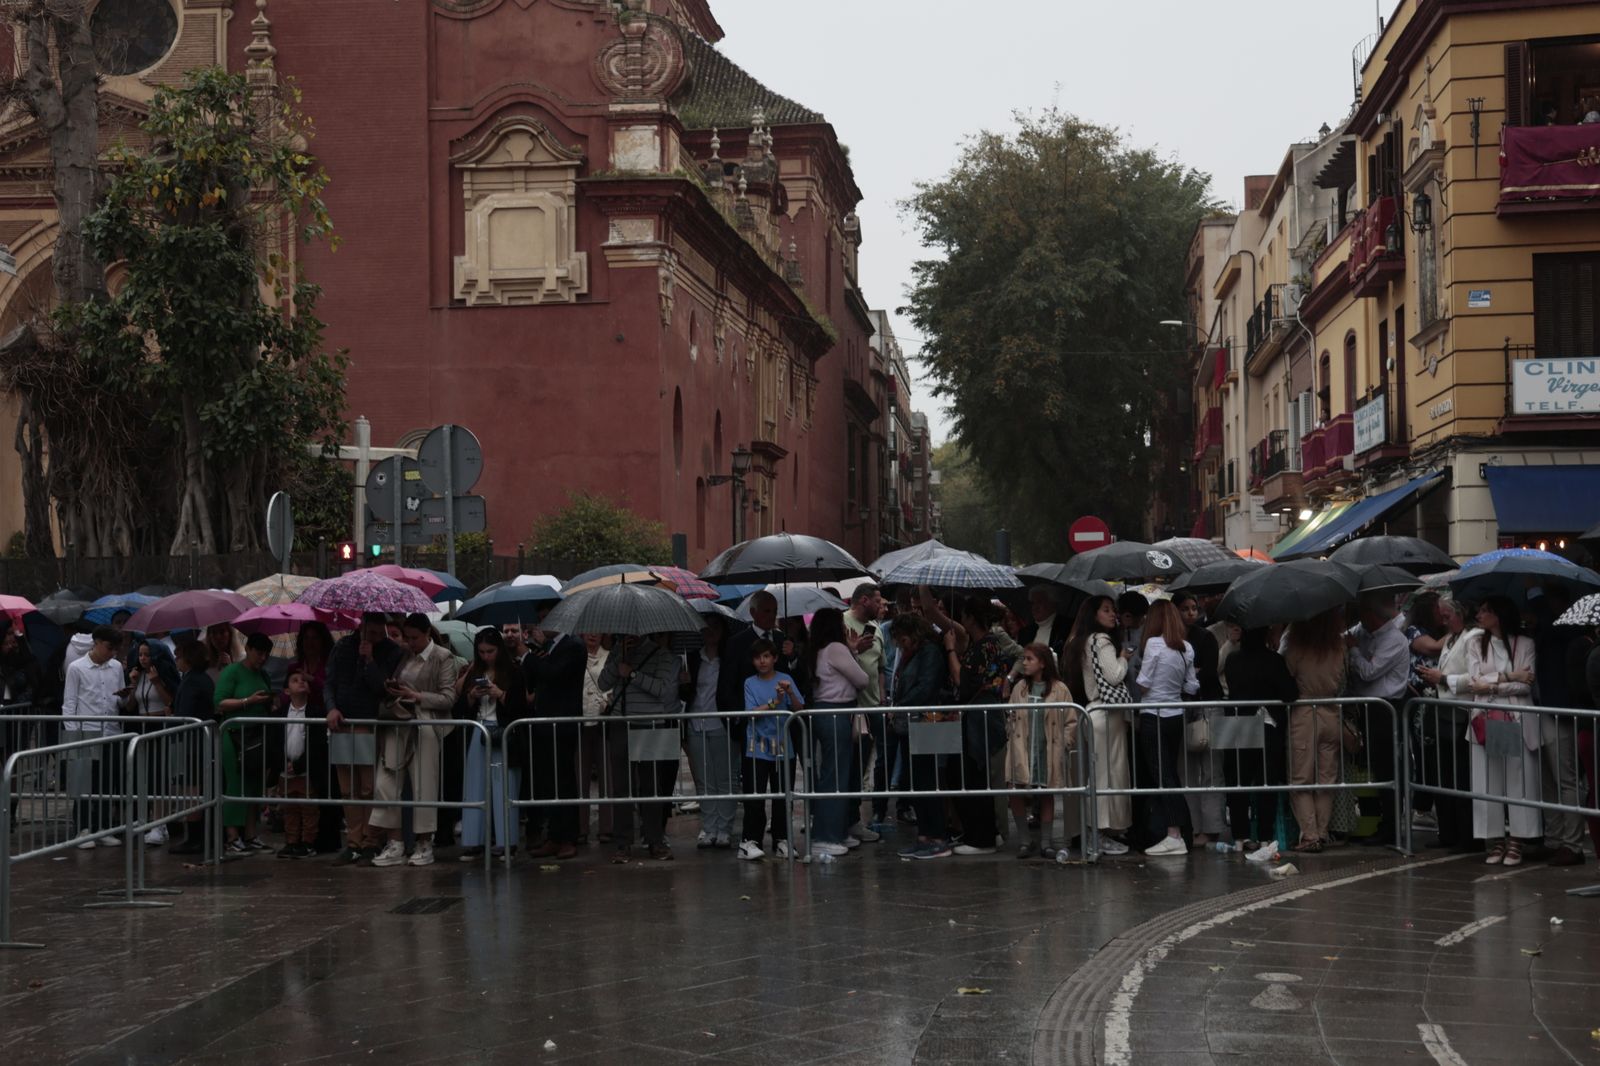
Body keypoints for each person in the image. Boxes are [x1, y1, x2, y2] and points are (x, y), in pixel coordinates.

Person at [368, 614, 460, 869]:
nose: (410, 643)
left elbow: (448, 698)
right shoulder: (405, 655)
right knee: (387, 779)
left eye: (415, 638)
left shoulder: (443, 656)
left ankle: (424, 843)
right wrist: (395, 689)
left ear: (427, 633)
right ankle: (395, 842)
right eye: (407, 638)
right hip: (400, 722)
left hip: (426, 724)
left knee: (423, 785)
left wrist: (416, 695)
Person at [937, 596, 1016, 856]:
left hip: (978, 717)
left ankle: (982, 838)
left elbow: (963, 680)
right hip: (983, 715)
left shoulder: (983, 646)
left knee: (974, 774)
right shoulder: (988, 644)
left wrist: (950, 650)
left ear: (970, 617)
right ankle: (986, 833)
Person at [1465, 597, 1540, 866]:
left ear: (1499, 614)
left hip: (1516, 716)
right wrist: (1510, 676)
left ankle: (1517, 839)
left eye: (1486, 610)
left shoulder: (1525, 644)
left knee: (1518, 780)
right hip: (1485, 718)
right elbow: (1474, 682)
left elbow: (1526, 685)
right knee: (1487, 779)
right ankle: (1494, 839)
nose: (1479, 614)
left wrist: (1494, 685)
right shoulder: (1474, 643)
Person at [600, 632, 685, 863]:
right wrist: (619, 659)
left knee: (651, 786)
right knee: (621, 787)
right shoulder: (617, 652)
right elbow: (603, 683)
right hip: (620, 723)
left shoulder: (662, 655)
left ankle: (654, 840)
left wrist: (633, 674)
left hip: (650, 724)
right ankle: (623, 843)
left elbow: (661, 689)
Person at [325, 614, 403, 865]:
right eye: (372, 633)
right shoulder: (342, 647)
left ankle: (372, 839)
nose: (377, 638)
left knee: (369, 786)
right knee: (348, 788)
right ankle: (354, 840)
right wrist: (331, 707)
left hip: (369, 723)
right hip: (343, 723)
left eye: (381, 634)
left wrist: (369, 659)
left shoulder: (391, 651)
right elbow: (330, 682)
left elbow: (383, 688)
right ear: (362, 629)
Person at [1061, 595, 1134, 856]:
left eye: (1113, 610)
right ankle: (1100, 833)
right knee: (1107, 775)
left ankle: (1095, 832)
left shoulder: (1080, 642)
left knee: (1100, 774)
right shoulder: (1101, 641)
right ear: (1094, 615)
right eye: (1106, 610)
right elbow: (1114, 675)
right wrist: (1123, 657)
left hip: (1093, 713)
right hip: (1105, 713)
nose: (1113, 614)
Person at [456, 627, 527, 861]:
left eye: (491, 651)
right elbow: (459, 708)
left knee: (504, 787)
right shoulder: (473, 671)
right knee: (475, 786)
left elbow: (522, 708)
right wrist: (471, 696)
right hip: (480, 729)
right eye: (482, 652)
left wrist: (500, 694)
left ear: (499, 650)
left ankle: (508, 842)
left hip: (504, 732)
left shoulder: (514, 672)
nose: (486, 656)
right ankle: (474, 841)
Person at [1528, 588, 1588, 866]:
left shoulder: (1569, 628)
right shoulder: (1546, 629)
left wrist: (1536, 595)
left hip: (1560, 709)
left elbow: (1555, 631)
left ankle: (1572, 843)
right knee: (1547, 778)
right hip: (1541, 705)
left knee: (1565, 777)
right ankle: (1554, 837)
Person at [1221, 628, 1296, 850]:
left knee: (1237, 783)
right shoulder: (1274, 660)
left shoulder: (1232, 660)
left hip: (1237, 722)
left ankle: (1239, 837)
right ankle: (1264, 836)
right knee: (1266, 781)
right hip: (1267, 722)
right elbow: (1290, 693)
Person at [804, 608, 870, 858]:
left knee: (836, 772)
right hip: (836, 713)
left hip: (825, 713)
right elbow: (862, 679)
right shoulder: (835, 648)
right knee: (835, 775)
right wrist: (852, 652)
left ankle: (837, 830)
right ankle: (826, 835)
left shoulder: (818, 650)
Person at [1345, 594, 1409, 846]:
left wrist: (1352, 650)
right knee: (1368, 768)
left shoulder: (1394, 640)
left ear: (1373, 615)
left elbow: (1369, 671)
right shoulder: (1362, 632)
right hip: (1365, 707)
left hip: (1385, 708)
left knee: (1386, 768)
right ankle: (1373, 819)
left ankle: (1392, 824)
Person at [1136, 601, 1199, 856]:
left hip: (1154, 714)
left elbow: (1143, 683)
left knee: (1163, 775)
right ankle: (1183, 832)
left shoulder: (1153, 644)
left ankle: (1175, 834)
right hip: (1176, 715)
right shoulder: (1187, 648)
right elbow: (1191, 687)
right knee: (1170, 772)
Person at [1004, 643, 1077, 859]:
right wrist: (1011, 733)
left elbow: (1071, 720)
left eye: (1029, 659)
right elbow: (1009, 713)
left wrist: (1064, 742)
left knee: (1046, 794)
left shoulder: (1060, 689)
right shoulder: (1020, 688)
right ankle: (1025, 841)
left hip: (1047, 749)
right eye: (1024, 658)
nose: (1024, 663)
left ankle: (1045, 842)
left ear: (1042, 663)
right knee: (1016, 792)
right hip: (1023, 748)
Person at [1416, 598, 1478, 849]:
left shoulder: (1472, 637)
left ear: (1460, 613)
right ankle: (1448, 831)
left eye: (1447, 616)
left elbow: (1474, 677)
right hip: (1443, 711)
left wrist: (1443, 678)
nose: (1442, 620)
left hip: (1461, 711)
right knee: (1443, 775)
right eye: (1441, 616)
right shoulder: (1452, 637)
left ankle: (1465, 835)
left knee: (1460, 776)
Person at [1284, 607, 1347, 852]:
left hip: (1304, 713)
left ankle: (1310, 835)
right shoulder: (1339, 646)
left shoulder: (1297, 646)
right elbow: (1343, 679)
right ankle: (1322, 831)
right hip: (1331, 711)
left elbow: (1289, 673)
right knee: (1326, 779)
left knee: (1301, 777)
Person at [889, 614, 952, 859]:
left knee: (927, 779)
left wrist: (900, 705)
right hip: (913, 722)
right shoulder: (914, 653)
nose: (900, 644)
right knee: (916, 779)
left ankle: (937, 836)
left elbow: (927, 686)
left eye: (902, 639)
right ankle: (925, 835)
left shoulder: (929, 653)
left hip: (926, 721)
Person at [737, 637, 805, 860]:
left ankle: (782, 839)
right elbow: (751, 712)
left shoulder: (786, 678)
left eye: (766, 656)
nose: (762, 661)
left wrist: (790, 694)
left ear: (775, 658)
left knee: (782, 794)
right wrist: (775, 702)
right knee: (755, 794)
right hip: (756, 746)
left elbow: (799, 708)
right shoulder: (749, 682)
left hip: (784, 746)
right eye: (758, 657)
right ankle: (750, 840)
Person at [63, 625, 127, 849]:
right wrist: (72, 734)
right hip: (86, 731)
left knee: (107, 782)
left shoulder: (116, 667)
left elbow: (119, 698)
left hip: (111, 730)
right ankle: (82, 828)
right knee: (83, 782)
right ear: (97, 643)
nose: (112, 653)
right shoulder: (76, 668)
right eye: (109, 648)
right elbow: (69, 703)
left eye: (115, 649)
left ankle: (103, 826)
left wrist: (125, 697)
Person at [214, 632, 277, 853]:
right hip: (234, 736)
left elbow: (266, 700)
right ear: (248, 649)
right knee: (236, 783)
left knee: (254, 785)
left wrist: (270, 703)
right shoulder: (232, 672)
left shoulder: (264, 675)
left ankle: (251, 834)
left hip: (257, 736)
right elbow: (220, 702)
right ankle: (232, 835)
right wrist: (247, 701)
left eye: (266, 654)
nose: (262, 658)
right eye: (259, 653)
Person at [1174, 592, 1226, 846]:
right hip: (1183, 707)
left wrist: (1187, 677)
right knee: (1186, 769)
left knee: (1211, 768)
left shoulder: (1205, 637)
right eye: (1185, 608)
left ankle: (1212, 827)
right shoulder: (1169, 641)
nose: (1191, 613)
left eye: (1194, 608)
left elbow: (1208, 671)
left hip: (1206, 706)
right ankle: (1193, 826)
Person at [683, 617, 735, 849]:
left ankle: (724, 828)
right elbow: (686, 693)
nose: (711, 632)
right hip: (696, 723)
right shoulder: (693, 658)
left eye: (715, 627)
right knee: (704, 780)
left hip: (721, 724)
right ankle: (708, 826)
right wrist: (683, 683)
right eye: (706, 628)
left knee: (725, 779)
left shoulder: (730, 659)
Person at [121, 638, 179, 845]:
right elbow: (129, 707)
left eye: (147, 654)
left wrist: (156, 681)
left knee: (159, 777)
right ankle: (149, 819)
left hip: (159, 727)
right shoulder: (139, 675)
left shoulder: (161, 673)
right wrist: (133, 685)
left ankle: (160, 824)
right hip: (141, 728)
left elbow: (171, 701)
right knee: (145, 776)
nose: (143, 658)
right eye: (141, 654)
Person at [843, 583, 886, 844]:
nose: (881, 606)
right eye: (877, 601)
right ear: (863, 600)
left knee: (861, 768)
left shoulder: (877, 629)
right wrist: (854, 650)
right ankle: (845, 820)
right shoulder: (841, 623)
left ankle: (854, 820)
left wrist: (882, 698)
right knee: (848, 766)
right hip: (850, 708)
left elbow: (881, 667)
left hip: (872, 708)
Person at [167, 639, 215, 855]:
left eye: (179, 656)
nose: (176, 660)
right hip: (199, 742)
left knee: (191, 790)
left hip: (193, 744)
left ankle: (194, 838)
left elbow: (184, 712)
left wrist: (172, 716)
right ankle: (196, 836)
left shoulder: (192, 681)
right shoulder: (200, 679)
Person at [276, 669, 328, 859]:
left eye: (304, 680)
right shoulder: (280, 713)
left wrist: (299, 765)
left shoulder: (315, 712)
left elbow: (316, 745)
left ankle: (308, 842)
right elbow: (276, 741)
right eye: (295, 680)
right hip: (286, 768)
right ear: (287, 691)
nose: (301, 682)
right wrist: (284, 763)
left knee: (309, 809)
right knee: (289, 808)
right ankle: (291, 841)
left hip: (306, 770)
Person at [576, 633, 614, 844]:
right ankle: (581, 828)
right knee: (580, 776)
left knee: (606, 775)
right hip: (580, 720)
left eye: (597, 630)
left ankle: (606, 827)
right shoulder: (575, 657)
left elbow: (613, 684)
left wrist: (608, 700)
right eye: (589, 629)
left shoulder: (609, 657)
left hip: (602, 722)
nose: (593, 634)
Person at [1018, 586, 1067, 662]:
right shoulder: (1024, 633)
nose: (1034, 607)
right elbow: (1020, 660)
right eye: (1033, 603)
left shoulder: (1066, 627)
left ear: (1052, 603)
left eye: (1039, 602)